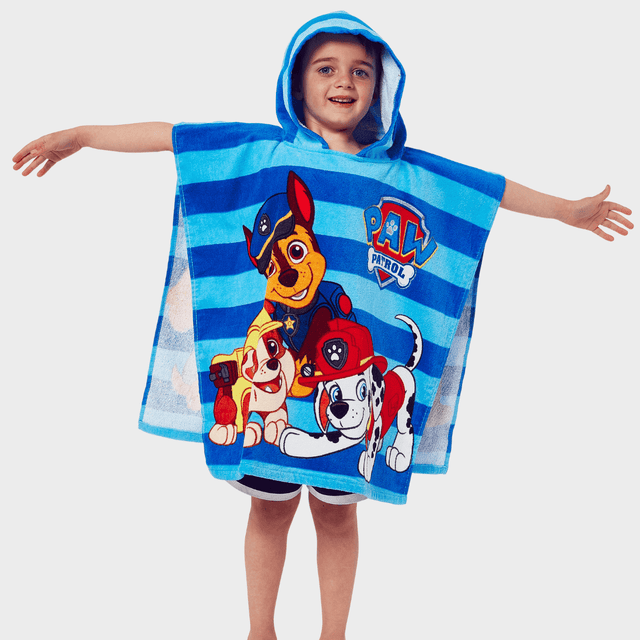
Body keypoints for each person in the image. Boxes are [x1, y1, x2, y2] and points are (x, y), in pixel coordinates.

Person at [11, 12, 632, 640]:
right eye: (326, 68)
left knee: (337, 517)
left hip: (350, 387)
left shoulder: (406, 173)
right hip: (273, 388)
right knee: (269, 509)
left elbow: (488, 191)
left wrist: (566, 211)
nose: (343, 82)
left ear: (380, 86)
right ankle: (260, 631)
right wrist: (81, 135)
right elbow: (172, 136)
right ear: (296, 81)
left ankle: (334, 634)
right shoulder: (262, 152)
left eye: (361, 72)